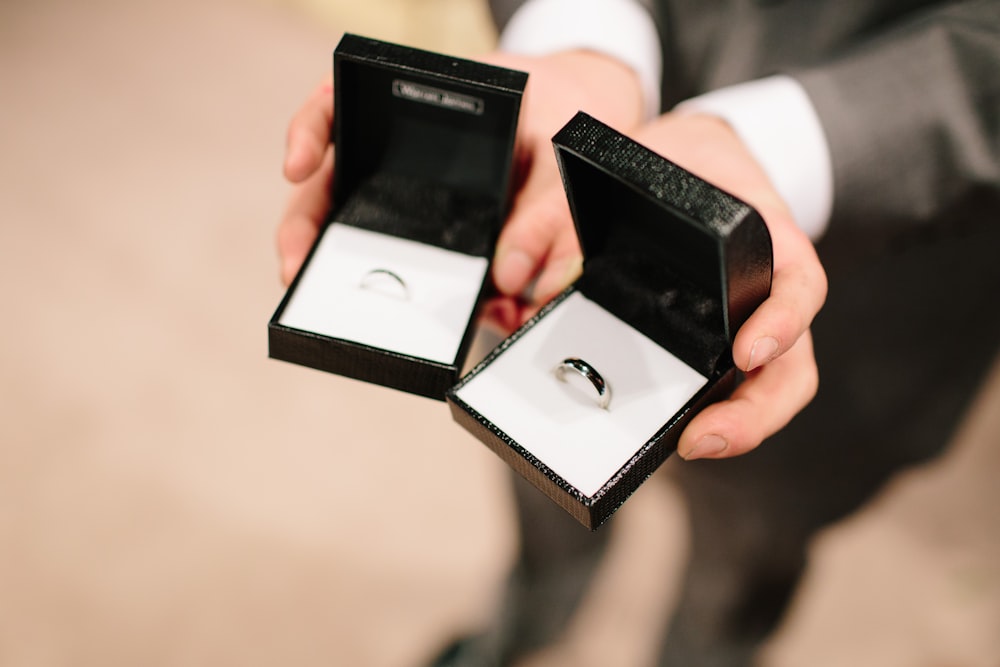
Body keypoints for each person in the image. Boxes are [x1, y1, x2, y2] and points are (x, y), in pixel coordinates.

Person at [278, 1, 1000, 664]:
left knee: (740, 563)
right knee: (534, 464)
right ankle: (528, 619)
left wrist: (780, 147)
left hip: (875, 298)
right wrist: (586, 37)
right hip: (557, 212)